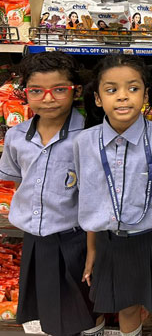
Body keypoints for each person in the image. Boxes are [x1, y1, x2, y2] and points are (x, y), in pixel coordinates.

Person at [75, 55, 152, 336]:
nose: (123, 96)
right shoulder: (84, 143)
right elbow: (92, 202)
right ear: (98, 98)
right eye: (111, 89)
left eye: (133, 88)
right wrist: (92, 250)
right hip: (112, 243)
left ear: (145, 95)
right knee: (126, 307)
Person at [0, 52, 105, 336]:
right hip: (36, 239)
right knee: (49, 311)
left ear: (76, 91)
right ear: (25, 93)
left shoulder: (89, 136)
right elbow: (15, 179)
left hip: (77, 239)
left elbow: (96, 198)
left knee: (85, 307)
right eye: (36, 91)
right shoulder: (16, 136)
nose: (47, 99)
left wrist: (92, 248)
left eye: (59, 90)